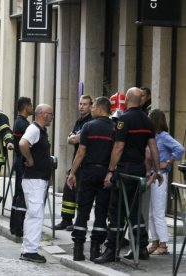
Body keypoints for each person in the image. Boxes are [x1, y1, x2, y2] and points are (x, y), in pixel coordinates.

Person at [94, 87, 163, 264]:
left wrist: (110, 170)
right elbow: (153, 148)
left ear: (127, 100)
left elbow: (118, 147)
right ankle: (141, 248)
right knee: (134, 210)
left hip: (125, 171)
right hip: (139, 170)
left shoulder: (123, 120)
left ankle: (111, 250)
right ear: (140, 100)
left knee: (116, 210)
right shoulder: (147, 121)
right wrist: (157, 170)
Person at [67, 97, 114, 261]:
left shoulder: (88, 126)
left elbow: (81, 152)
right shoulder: (114, 128)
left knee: (83, 210)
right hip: (105, 173)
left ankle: (78, 250)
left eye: (93, 106)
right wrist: (111, 171)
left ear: (101, 108)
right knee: (101, 211)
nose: (91, 109)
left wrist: (72, 172)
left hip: (88, 172)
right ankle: (96, 249)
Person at [19, 104, 53, 264]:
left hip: (38, 178)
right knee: (35, 214)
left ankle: (29, 248)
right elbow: (22, 143)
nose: (52, 116)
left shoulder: (40, 130)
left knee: (34, 213)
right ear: (43, 114)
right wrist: (30, 159)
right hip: (34, 179)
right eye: (50, 113)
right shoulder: (34, 129)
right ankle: (29, 250)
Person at [147, 109, 184, 255]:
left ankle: (163, 244)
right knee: (151, 212)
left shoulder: (163, 136)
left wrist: (168, 162)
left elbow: (180, 148)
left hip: (160, 176)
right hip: (152, 175)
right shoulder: (153, 136)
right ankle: (154, 241)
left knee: (158, 211)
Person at [55, 95, 93, 231]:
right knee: (69, 190)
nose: (81, 106)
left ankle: (79, 222)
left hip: (85, 162)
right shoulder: (79, 121)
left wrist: (72, 138)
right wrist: (72, 138)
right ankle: (66, 219)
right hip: (76, 161)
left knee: (80, 193)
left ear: (91, 106)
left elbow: (74, 139)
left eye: (85, 104)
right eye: (80, 104)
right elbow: (70, 138)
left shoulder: (90, 121)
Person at [10, 97, 33, 237]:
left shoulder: (19, 122)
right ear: (26, 107)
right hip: (22, 161)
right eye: (30, 105)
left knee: (19, 192)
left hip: (18, 159)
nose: (32, 108)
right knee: (22, 193)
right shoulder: (23, 124)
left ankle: (14, 225)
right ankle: (18, 227)